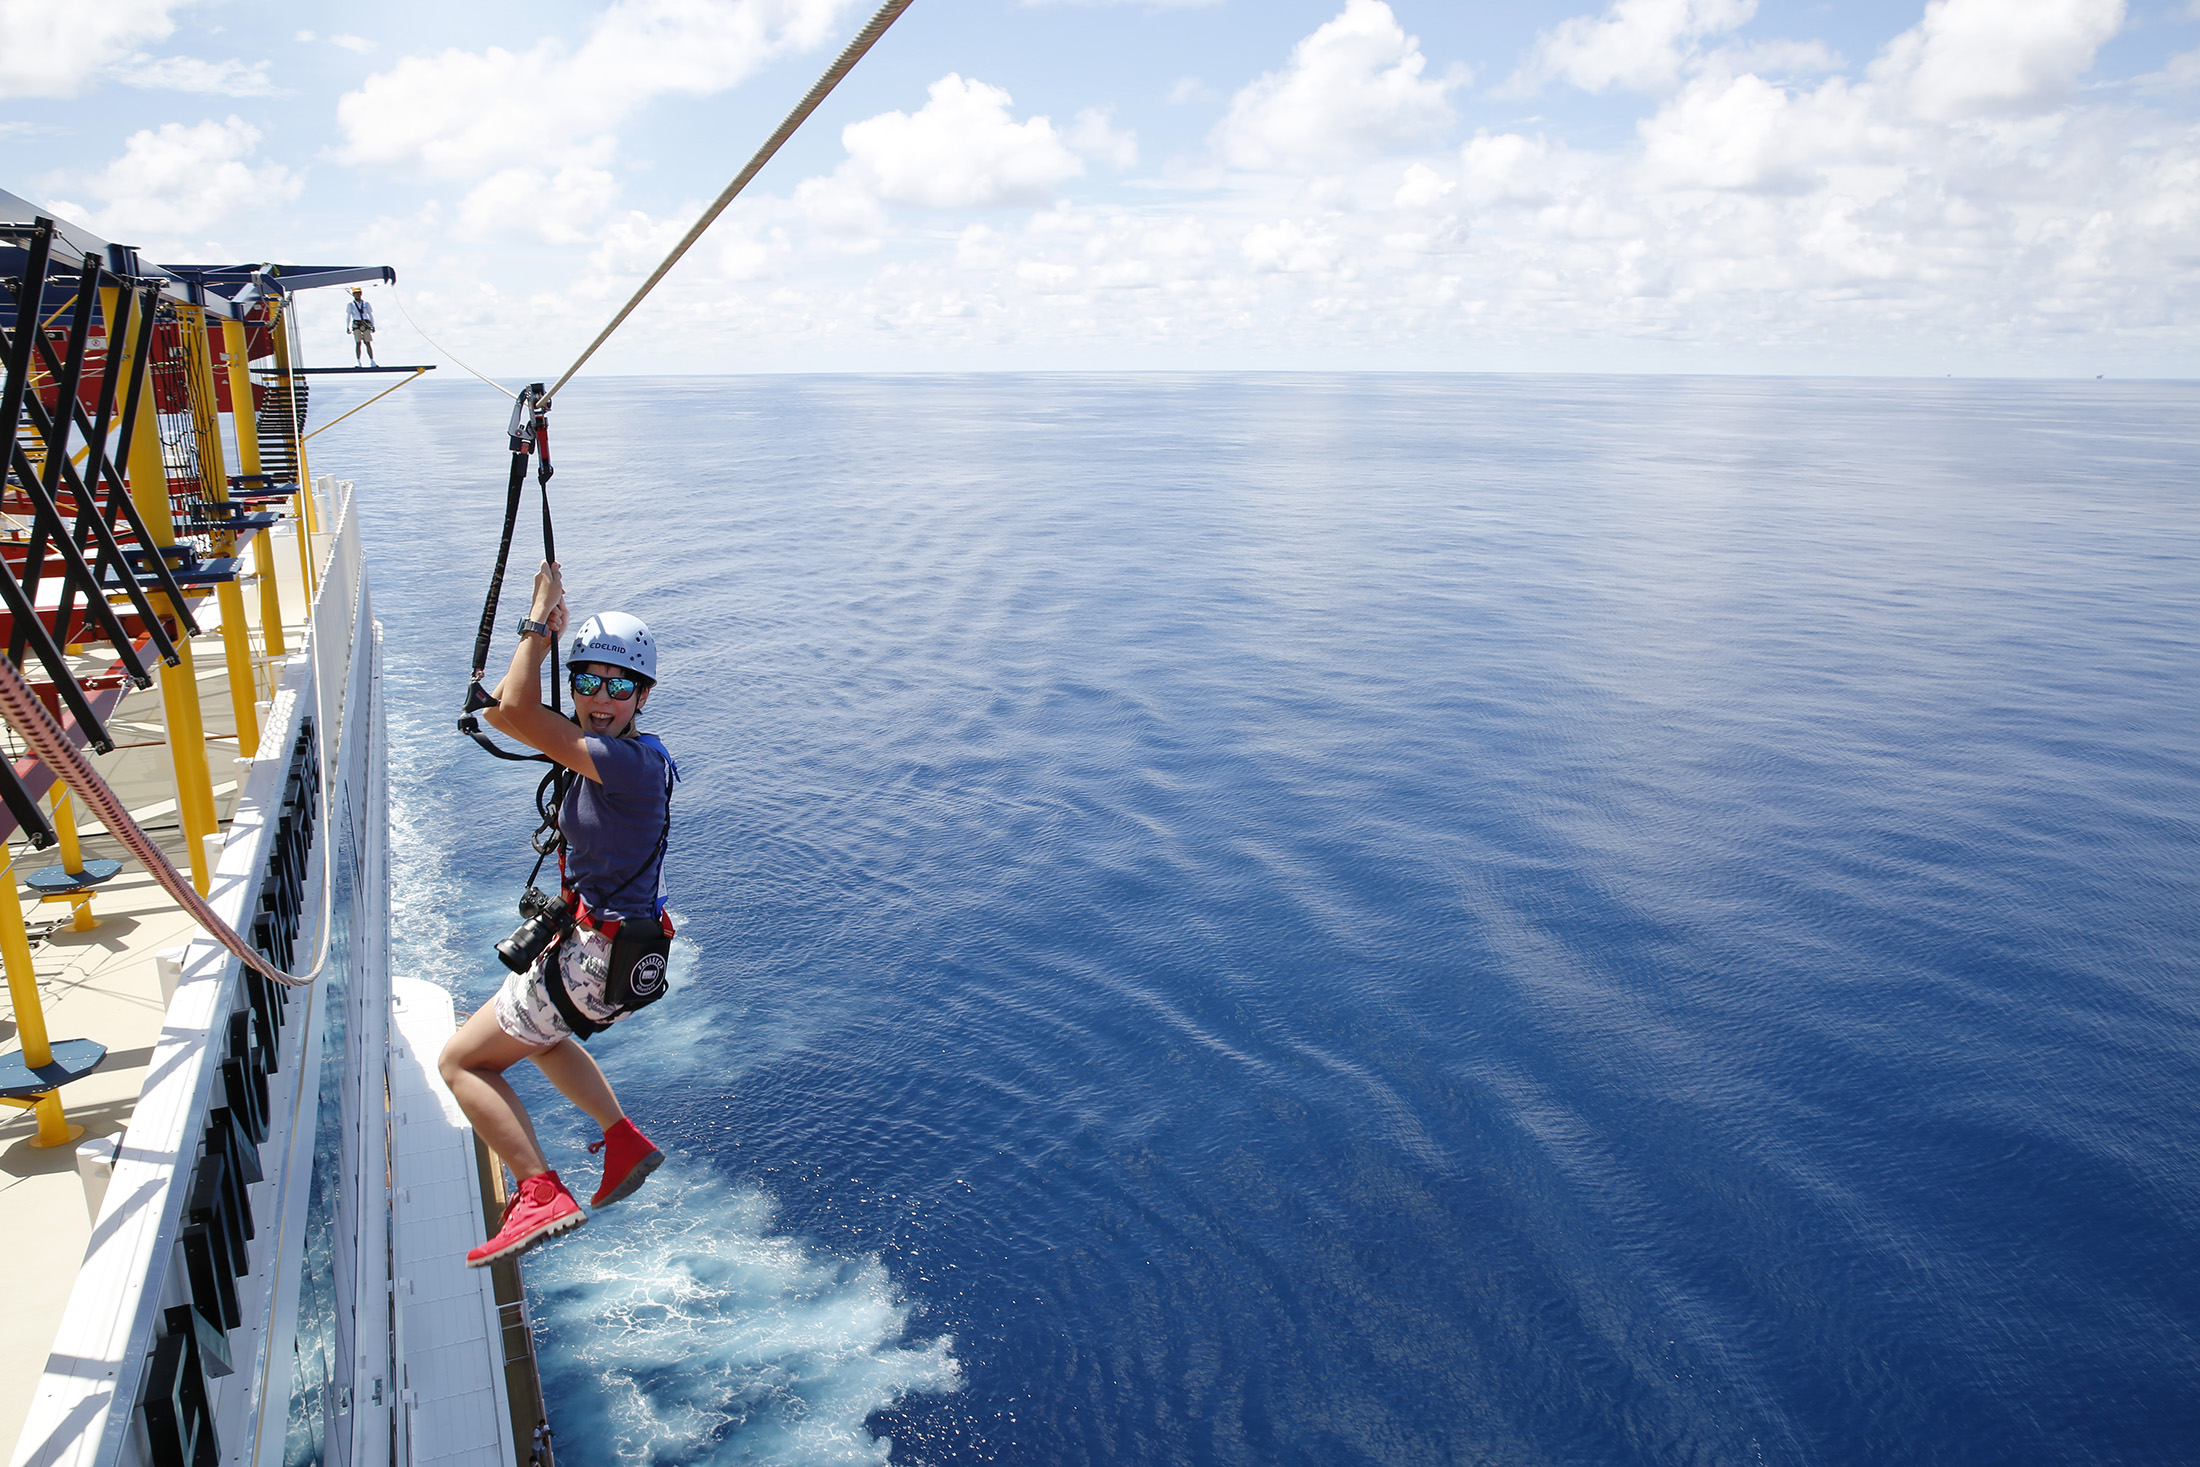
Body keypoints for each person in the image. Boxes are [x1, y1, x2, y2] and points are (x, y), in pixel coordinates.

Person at [439, 561, 678, 1265]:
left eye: (620, 685)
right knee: (540, 1039)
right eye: (588, 681)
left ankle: (540, 1190)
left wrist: (538, 620)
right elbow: (514, 713)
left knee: (460, 1062)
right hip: (611, 962)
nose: (601, 698)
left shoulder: (622, 764)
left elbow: (510, 710)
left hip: (590, 965)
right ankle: (622, 1138)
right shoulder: (630, 753)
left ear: (644, 695)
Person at [346, 285, 377, 366]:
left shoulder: (366, 304)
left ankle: (372, 361)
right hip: (356, 323)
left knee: (368, 342)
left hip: (365, 323)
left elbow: (370, 315)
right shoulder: (351, 304)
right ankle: (358, 361)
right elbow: (348, 316)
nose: (358, 295)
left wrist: (373, 325)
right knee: (358, 342)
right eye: (356, 293)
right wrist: (347, 327)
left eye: (359, 293)